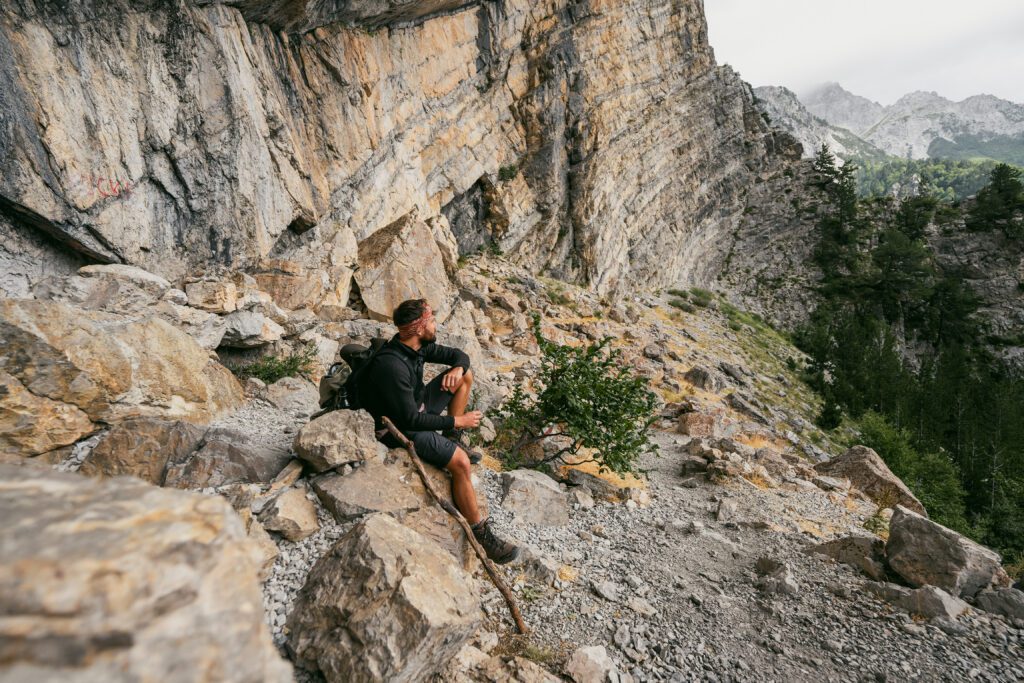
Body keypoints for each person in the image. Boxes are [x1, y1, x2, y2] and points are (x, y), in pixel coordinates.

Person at [359, 298, 521, 564]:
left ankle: (453, 440)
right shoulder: (392, 365)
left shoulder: (418, 346)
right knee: (461, 462)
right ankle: (481, 534)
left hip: (416, 409)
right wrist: (457, 421)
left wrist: (457, 368)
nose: (436, 325)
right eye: (432, 320)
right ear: (419, 327)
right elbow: (409, 420)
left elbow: (460, 356)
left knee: (465, 376)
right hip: (397, 429)